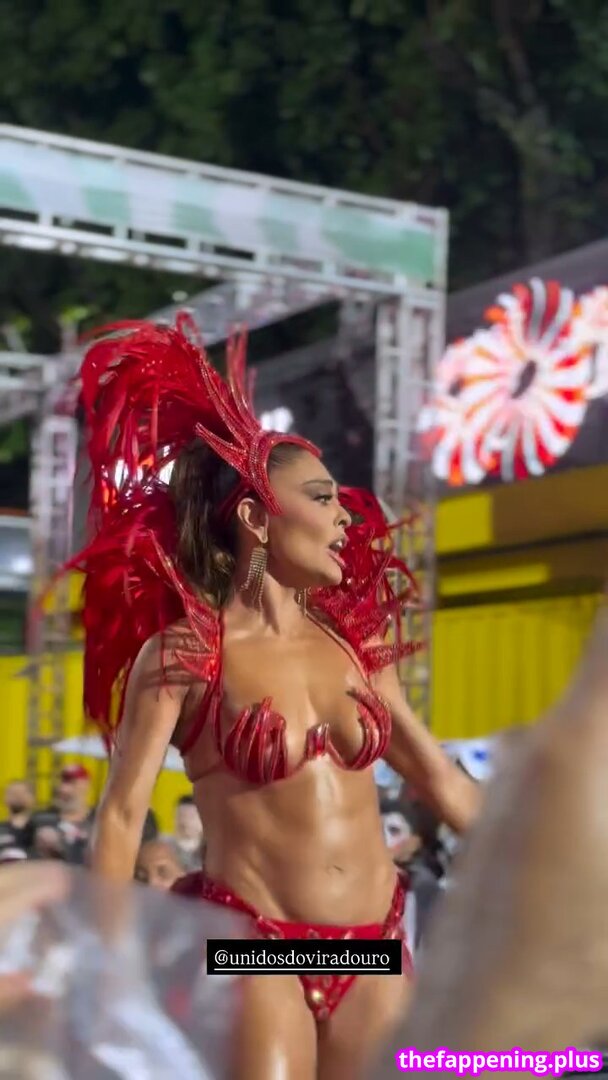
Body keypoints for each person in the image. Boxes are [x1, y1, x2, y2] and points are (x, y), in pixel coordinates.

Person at [65, 316, 480, 1080]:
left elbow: (440, 779)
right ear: (256, 518)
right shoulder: (187, 653)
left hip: (377, 946)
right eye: (321, 497)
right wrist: (107, 962)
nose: (345, 516)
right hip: (251, 945)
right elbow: (121, 814)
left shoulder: (359, 647)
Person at [0, 780, 36, 855]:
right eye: (13, 793)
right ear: (5, 799)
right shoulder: (1, 830)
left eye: (22, 793)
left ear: (32, 798)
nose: (17, 797)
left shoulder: (39, 827)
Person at [172, 795, 204, 871]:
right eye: (181, 815)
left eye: (191, 816)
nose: (185, 821)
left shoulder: (213, 852)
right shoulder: (163, 848)